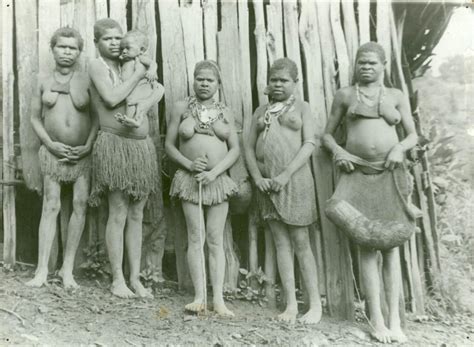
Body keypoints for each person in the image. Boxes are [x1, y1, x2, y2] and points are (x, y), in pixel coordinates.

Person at [322, 42, 419, 343]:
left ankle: (394, 321)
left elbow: (412, 134)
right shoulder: (345, 95)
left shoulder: (396, 97)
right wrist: (339, 152)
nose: (365, 67)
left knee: (391, 248)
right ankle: (376, 319)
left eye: (372, 63)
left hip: (389, 175)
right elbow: (326, 134)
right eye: (361, 62)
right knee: (366, 245)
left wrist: (401, 149)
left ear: (383, 65)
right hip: (358, 174)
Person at [88, 18, 162, 298]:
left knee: (137, 214)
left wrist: (147, 70)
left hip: (141, 147)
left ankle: (135, 278)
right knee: (117, 212)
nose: (115, 43)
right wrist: (139, 73)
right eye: (108, 39)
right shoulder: (98, 66)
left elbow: (156, 86)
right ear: (97, 43)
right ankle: (117, 279)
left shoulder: (133, 63)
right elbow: (111, 98)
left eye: (119, 38)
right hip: (114, 145)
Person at [244, 58, 322, 324]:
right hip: (268, 186)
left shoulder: (302, 108)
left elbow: (310, 142)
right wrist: (257, 178)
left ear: (295, 83)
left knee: (301, 243)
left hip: (296, 182)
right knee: (280, 244)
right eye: (274, 80)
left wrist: (286, 174)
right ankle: (290, 305)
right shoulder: (261, 111)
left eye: (284, 80)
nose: (278, 84)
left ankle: (314, 306)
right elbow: (248, 148)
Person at [165, 60, 239, 316]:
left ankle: (218, 299)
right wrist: (189, 164)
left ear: (218, 85)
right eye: (200, 79)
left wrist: (215, 172)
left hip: (217, 182)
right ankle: (199, 296)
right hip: (191, 180)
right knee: (195, 237)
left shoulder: (225, 112)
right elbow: (169, 146)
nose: (204, 84)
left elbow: (235, 150)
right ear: (193, 81)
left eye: (210, 80)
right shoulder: (181, 108)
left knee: (216, 239)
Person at [27, 27, 98, 288]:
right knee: (51, 205)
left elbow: (97, 118)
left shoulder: (87, 80)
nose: (67, 52)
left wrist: (88, 146)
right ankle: (42, 270)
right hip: (52, 152)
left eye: (72, 48)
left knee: (80, 205)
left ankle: (67, 270)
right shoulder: (42, 79)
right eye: (62, 47)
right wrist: (50, 144)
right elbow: (35, 118)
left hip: (82, 154)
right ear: (53, 48)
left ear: (79, 52)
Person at [114, 29, 164, 128]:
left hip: (140, 88)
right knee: (131, 103)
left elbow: (153, 64)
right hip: (131, 89)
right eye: (122, 48)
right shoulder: (124, 60)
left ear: (141, 50)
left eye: (128, 48)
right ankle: (129, 119)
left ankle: (137, 120)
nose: (124, 51)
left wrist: (152, 71)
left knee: (134, 102)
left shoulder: (140, 58)